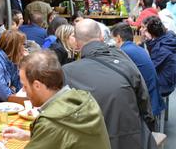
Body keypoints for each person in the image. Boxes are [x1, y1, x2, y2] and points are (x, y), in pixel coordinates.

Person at [62, 19, 157, 149]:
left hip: (93, 142)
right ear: (101, 38)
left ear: (77, 44)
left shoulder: (67, 72)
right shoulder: (123, 57)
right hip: (133, 139)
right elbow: (144, 98)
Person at [0, 50, 111, 149]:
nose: (23, 90)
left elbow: (56, 130)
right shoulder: (83, 99)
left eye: (25, 86)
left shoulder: (51, 122)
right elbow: (68, 137)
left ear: (37, 85)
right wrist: (30, 135)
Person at [111, 22, 165, 116]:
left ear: (118, 38)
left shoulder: (124, 52)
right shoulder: (135, 48)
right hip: (152, 96)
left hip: (147, 103)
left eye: (113, 39)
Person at [141, 16, 176, 96]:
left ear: (150, 31)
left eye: (143, 28)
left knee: (136, 82)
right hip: (168, 78)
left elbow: (150, 68)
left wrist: (145, 42)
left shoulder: (162, 49)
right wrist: (149, 41)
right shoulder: (167, 38)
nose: (141, 30)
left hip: (165, 85)